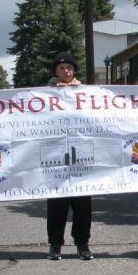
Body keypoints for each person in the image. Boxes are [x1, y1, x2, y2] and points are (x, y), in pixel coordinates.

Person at [47, 52, 93, 261]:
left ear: (74, 70)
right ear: (56, 72)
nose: (66, 71)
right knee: (57, 204)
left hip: (81, 155)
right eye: (62, 68)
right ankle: (55, 245)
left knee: (83, 204)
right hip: (56, 157)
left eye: (69, 68)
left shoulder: (87, 93)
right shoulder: (46, 95)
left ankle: (82, 244)